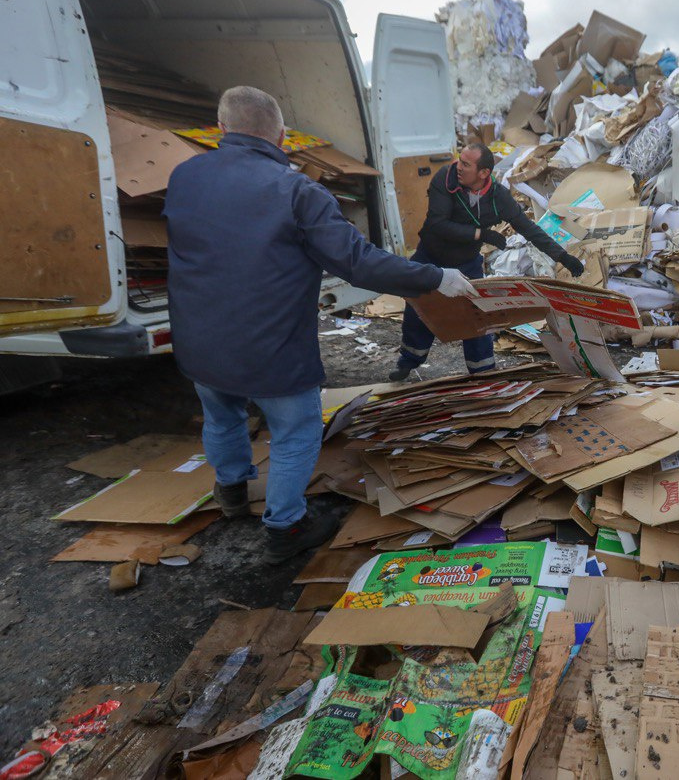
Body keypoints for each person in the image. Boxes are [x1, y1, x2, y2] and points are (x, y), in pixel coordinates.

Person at [164, 86, 478, 564]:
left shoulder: (184, 176)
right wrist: (436, 277)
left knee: (223, 413)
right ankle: (286, 527)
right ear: (283, 136)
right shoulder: (296, 191)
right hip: (269, 343)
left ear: (222, 128)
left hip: (199, 337)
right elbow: (358, 263)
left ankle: (231, 492)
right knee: (296, 429)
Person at [389, 143, 585, 380]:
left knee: (476, 315)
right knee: (418, 307)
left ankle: (482, 370)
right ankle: (409, 360)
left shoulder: (499, 198)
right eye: (460, 161)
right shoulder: (446, 178)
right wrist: (480, 235)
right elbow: (436, 225)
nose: (458, 167)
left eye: (466, 164)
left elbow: (529, 229)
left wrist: (563, 257)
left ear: (483, 173)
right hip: (431, 255)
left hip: (466, 261)